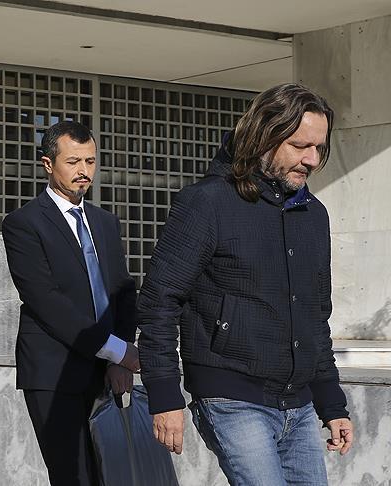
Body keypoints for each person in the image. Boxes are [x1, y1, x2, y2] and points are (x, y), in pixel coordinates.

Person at [137, 83, 354, 484]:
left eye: (319, 148)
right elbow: (159, 301)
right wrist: (165, 395)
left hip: (300, 404)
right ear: (263, 137)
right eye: (299, 145)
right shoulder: (207, 202)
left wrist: (332, 403)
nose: (311, 159)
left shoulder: (314, 215)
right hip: (231, 397)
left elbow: (314, 316)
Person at [1, 121, 140, 486]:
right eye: (73, 161)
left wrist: (120, 353)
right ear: (48, 164)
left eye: (90, 161)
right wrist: (117, 351)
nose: (83, 171)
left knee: (112, 475)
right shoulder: (23, 223)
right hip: (54, 371)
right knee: (73, 476)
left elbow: (123, 290)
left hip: (105, 370)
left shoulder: (105, 222)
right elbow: (46, 301)